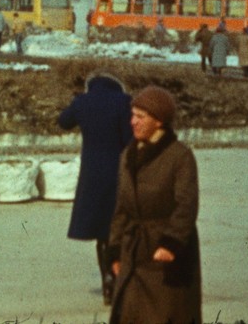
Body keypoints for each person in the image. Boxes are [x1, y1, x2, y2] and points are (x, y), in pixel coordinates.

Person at [107, 85, 202, 324]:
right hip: (134, 250)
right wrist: (115, 249)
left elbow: (187, 204)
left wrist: (171, 243)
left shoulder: (179, 156)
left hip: (166, 255)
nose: (133, 122)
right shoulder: (128, 155)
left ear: (159, 121)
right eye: (133, 116)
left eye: (141, 117)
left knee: (166, 315)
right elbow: (122, 206)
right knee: (129, 314)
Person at [58, 72, 135, 306]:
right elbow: (130, 139)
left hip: (92, 174)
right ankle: (121, 278)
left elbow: (63, 122)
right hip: (119, 172)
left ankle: (107, 283)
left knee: (102, 233)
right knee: (121, 227)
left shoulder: (83, 101)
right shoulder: (123, 101)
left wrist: (77, 103)